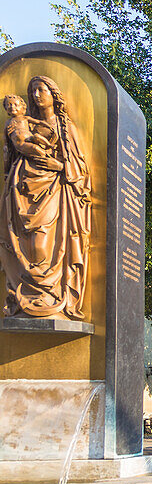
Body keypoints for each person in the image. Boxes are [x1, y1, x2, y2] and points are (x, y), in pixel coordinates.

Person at [0, 76, 91, 320]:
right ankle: (27, 299)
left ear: (53, 93)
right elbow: (14, 150)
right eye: (33, 91)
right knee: (25, 244)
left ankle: (49, 296)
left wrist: (57, 164)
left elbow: (80, 169)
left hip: (53, 190)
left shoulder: (66, 127)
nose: (37, 94)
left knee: (44, 244)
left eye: (42, 89)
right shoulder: (24, 123)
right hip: (22, 190)